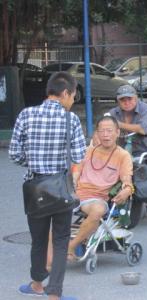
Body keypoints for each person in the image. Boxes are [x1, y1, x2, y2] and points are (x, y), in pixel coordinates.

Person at [9, 71, 86, 300]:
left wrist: (32, 163)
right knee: (61, 240)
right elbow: (80, 154)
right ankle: (54, 294)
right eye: (72, 96)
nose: (72, 101)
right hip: (61, 188)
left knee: (38, 240)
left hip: (35, 188)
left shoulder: (26, 115)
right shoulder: (70, 119)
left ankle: (36, 285)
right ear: (64, 93)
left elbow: (14, 154)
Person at [66, 115, 133, 259]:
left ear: (117, 133)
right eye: (101, 131)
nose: (105, 135)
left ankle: (71, 247)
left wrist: (127, 190)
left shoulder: (123, 156)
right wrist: (75, 176)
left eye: (109, 131)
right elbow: (76, 166)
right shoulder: (88, 150)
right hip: (76, 194)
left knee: (98, 211)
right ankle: (50, 255)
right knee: (49, 208)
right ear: (96, 133)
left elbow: (127, 179)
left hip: (97, 198)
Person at [107, 84, 147, 166]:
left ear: (136, 98)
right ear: (118, 101)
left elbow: (143, 130)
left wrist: (117, 124)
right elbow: (102, 131)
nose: (127, 103)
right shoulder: (113, 113)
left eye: (130, 99)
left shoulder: (146, 109)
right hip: (124, 153)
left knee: (141, 170)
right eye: (122, 100)